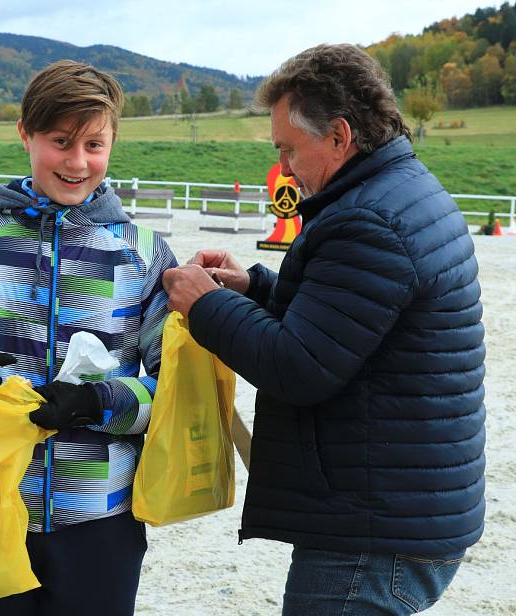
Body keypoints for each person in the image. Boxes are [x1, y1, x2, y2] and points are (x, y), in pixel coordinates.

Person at [163, 44, 484, 615]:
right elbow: (348, 321)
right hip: (399, 509)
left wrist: (205, 305)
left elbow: (298, 366)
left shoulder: (369, 221)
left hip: (372, 534)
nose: (284, 169)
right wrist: (256, 288)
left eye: (289, 149)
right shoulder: (399, 190)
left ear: (339, 135)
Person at [0, 59, 177, 616]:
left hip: (101, 515)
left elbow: (174, 391)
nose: (77, 161)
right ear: (25, 133)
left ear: (113, 140)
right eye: (60, 141)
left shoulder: (144, 255)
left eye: (94, 144)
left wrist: (102, 400)